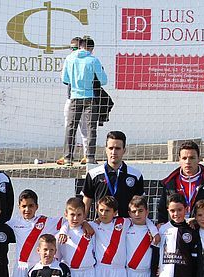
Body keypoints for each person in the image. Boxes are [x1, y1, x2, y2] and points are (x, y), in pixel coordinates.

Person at [58, 36, 107, 167]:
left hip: (74, 96)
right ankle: (90, 157)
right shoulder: (93, 60)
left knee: (70, 127)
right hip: (90, 98)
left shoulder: (69, 58)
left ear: (80, 46)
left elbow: (65, 79)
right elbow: (104, 81)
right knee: (91, 128)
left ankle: (68, 158)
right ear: (91, 48)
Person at [157, 140, 204, 225]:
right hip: (177, 230)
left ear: (199, 159)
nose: (188, 162)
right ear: (179, 159)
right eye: (184, 158)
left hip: (203, 229)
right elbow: (162, 211)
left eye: (192, 158)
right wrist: (161, 224)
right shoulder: (169, 183)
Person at [81, 130, 144, 218]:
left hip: (126, 226)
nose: (114, 152)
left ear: (124, 150)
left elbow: (139, 204)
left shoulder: (135, 175)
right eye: (111, 148)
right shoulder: (93, 174)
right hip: (101, 226)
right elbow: (86, 202)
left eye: (117, 148)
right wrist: (83, 222)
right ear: (106, 149)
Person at [62, 37, 89, 162]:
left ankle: (87, 155)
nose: (71, 51)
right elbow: (65, 79)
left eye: (74, 48)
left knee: (85, 129)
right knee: (70, 127)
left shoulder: (88, 61)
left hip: (85, 99)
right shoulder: (70, 60)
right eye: (70, 48)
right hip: (71, 99)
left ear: (80, 48)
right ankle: (68, 156)